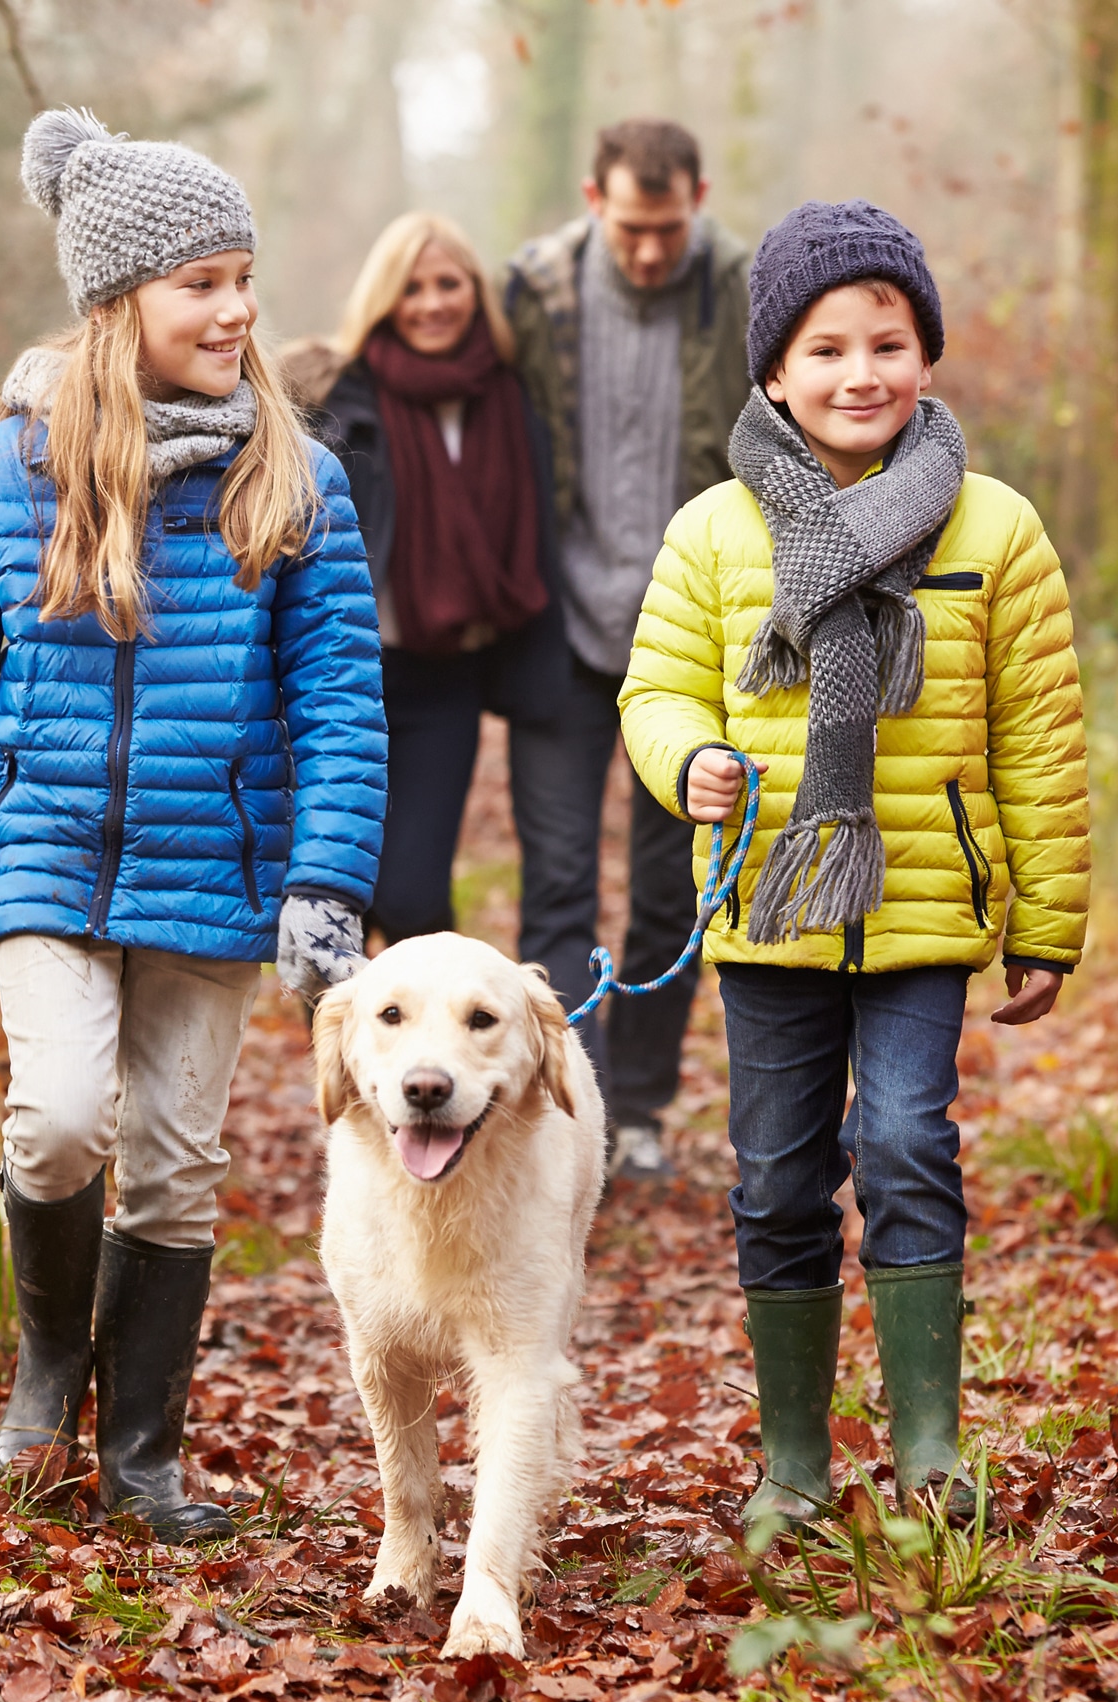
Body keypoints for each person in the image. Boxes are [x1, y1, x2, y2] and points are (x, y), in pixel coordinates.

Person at [0, 107, 387, 1542]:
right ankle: (48, 1366)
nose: (238, 307)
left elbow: (341, 702)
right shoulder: (0, 476)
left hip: (218, 872)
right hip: (43, 859)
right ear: (117, 302)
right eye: (201, 282)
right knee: (59, 1121)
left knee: (173, 1154)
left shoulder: (294, 479)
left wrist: (327, 883)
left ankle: (142, 1452)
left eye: (243, 276)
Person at [619, 200, 1089, 1523]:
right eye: (826, 350)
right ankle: (793, 1466)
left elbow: (1043, 739)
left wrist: (1046, 923)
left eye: (887, 342)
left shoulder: (993, 528)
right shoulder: (716, 532)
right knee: (777, 1175)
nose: (859, 374)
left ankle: (930, 1452)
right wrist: (688, 759)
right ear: (776, 371)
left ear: (925, 356)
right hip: (772, 905)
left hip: (926, 909)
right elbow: (655, 690)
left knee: (904, 1147)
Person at [505, 118, 750, 1181]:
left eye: (668, 226)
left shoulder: (741, 286)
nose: (649, 250)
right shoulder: (535, 290)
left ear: (697, 196)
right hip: (560, 627)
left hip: (691, 639)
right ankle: (567, 1103)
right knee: (558, 880)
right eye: (631, 227)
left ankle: (638, 1105)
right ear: (592, 198)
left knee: (668, 887)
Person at [281, 215, 565, 945]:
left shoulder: (509, 396)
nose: (432, 303)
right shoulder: (334, 394)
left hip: (446, 680)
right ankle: (352, 1045)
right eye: (412, 288)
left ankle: (421, 1032)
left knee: (411, 896)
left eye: (449, 283)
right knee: (340, 887)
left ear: (476, 291)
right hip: (346, 674)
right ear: (385, 297)